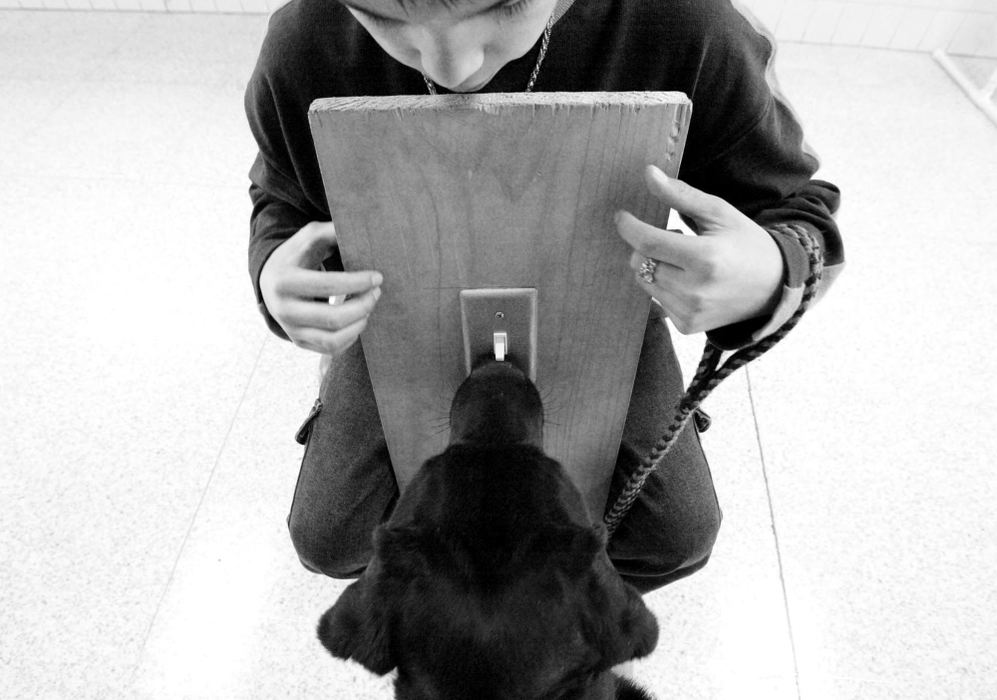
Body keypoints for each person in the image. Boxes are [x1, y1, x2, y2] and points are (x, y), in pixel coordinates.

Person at [244, 0, 844, 594]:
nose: (452, 66)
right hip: (396, 307)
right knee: (329, 536)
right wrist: (275, 271)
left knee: (675, 535)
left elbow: (798, 214)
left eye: (502, 8)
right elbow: (281, 195)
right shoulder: (304, 40)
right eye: (387, 19)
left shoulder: (691, 26)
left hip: (601, 305)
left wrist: (770, 271)